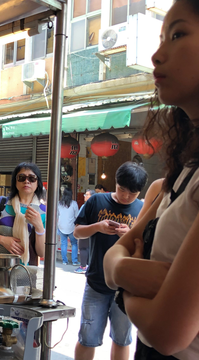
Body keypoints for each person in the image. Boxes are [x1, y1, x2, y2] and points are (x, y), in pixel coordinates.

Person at [104, 2, 199, 358]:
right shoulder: (181, 174)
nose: (157, 56)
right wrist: (124, 270)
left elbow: (166, 331)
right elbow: (114, 256)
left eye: (178, 34)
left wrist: (121, 282)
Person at [73, 161, 148, 360]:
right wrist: (97, 226)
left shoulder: (143, 209)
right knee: (87, 337)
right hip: (96, 283)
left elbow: (146, 248)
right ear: (115, 183)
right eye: (122, 190)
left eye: (133, 193)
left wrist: (130, 234)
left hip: (126, 288)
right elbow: (77, 232)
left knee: (122, 339)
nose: (126, 197)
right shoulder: (96, 201)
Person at [0, 162, 46, 264]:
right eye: (21, 177)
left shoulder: (43, 211)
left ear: (37, 182)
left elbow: (41, 252)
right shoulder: (1, 203)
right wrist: (2, 240)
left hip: (26, 272)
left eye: (32, 178)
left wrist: (39, 227)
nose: (26, 181)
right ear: (15, 182)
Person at [74, 189, 95, 274]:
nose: (85, 196)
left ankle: (83, 266)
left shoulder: (85, 206)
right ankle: (88, 265)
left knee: (83, 248)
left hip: (84, 229)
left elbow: (79, 219)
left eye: (87, 194)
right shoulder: (95, 206)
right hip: (92, 230)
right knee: (88, 248)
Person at [57, 187, 79, 266]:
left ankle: (64, 261)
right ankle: (74, 261)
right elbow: (77, 216)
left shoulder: (59, 203)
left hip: (61, 226)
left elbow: (57, 215)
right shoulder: (74, 204)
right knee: (74, 243)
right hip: (71, 227)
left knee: (63, 244)